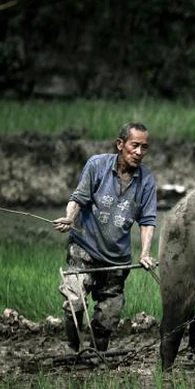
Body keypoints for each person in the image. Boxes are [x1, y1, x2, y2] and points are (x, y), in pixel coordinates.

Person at [53, 122, 157, 352]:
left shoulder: (146, 181)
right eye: (135, 145)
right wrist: (70, 218)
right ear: (120, 144)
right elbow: (79, 198)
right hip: (84, 250)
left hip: (117, 260)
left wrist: (146, 252)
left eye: (144, 147)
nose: (139, 152)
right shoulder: (97, 165)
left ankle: (98, 358)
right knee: (74, 303)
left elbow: (147, 221)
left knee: (107, 319)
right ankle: (74, 349)